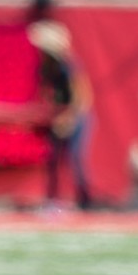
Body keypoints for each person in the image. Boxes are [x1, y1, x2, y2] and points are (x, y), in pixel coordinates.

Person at [28, 18, 92, 210]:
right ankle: (52, 199)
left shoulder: (68, 66)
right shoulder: (46, 67)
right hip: (58, 117)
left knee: (75, 157)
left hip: (75, 116)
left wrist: (69, 117)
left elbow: (82, 96)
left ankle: (85, 201)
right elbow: (46, 94)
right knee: (52, 158)